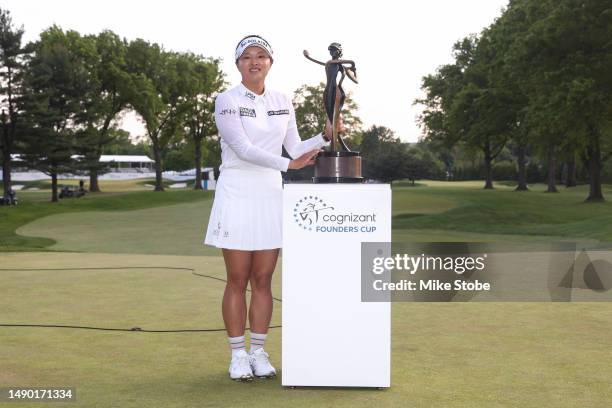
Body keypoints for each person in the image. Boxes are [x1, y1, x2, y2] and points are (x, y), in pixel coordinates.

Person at [204, 35, 332, 381]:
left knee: (263, 279)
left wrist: (324, 136)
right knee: (237, 278)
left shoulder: (281, 100)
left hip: (270, 193)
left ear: (270, 63)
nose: (255, 62)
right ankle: (237, 355)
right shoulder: (227, 100)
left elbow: (294, 146)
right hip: (237, 190)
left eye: (261, 56)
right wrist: (288, 166)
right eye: (247, 57)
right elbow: (243, 148)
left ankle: (258, 352)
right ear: (238, 65)